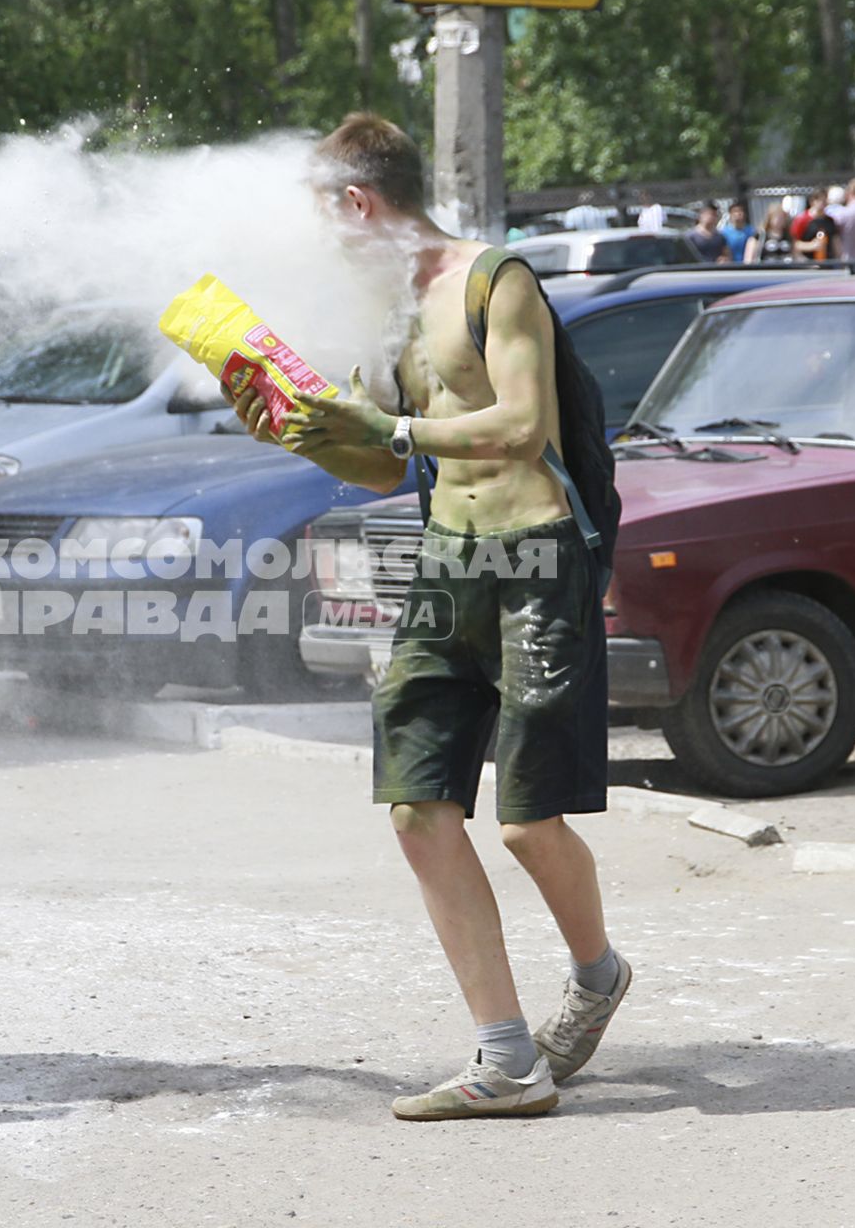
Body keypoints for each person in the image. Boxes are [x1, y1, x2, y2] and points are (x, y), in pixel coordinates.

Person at [238, 114, 627, 1121]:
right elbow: (382, 462)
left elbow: (522, 422)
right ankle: (508, 1059)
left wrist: (396, 424)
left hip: (538, 560)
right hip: (446, 563)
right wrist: (306, 436)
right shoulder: (384, 314)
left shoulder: (496, 280)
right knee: (418, 809)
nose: (324, 242)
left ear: (359, 203)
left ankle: (595, 975)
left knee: (531, 823)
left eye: (327, 218)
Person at [795, 188, 839, 261]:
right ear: (813, 201)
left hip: (828, 262)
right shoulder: (802, 219)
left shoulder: (830, 220)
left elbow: (835, 242)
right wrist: (811, 246)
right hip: (808, 263)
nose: (823, 203)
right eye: (820, 200)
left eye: (825, 200)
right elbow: (795, 244)